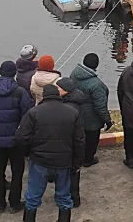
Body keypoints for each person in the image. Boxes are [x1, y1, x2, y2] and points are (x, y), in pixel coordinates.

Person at [16, 84, 86, 222]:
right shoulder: (72, 113)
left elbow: (20, 137)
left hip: (39, 161)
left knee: (33, 197)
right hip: (64, 162)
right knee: (64, 198)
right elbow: (80, 141)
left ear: (44, 96)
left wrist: (28, 153)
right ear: (58, 95)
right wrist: (77, 163)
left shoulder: (34, 112)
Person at [0, 60, 32, 213]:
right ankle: (14, 203)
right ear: (14, 73)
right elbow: (27, 117)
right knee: (17, 172)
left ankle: (0, 204)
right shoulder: (20, 92)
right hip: (15, 140)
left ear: (0, 72)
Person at [70, 53, 112, 167]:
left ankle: (76, 157)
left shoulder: (74, 74)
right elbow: (100, 106)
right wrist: (107, 120)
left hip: (76, 114)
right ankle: (88, 159)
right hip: (91, 119)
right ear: (96, 65)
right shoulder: (96, 85)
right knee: (91, 141)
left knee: (78, 138)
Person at [56, 78, 86, 208]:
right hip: (73, 145)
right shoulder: (75, 104)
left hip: (68, 145)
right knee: (73, 173)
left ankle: (69, 198)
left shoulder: (68, 107)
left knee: (68, 173)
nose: (57, 90)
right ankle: (74, 197)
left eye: (59, 88)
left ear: (66, 91)